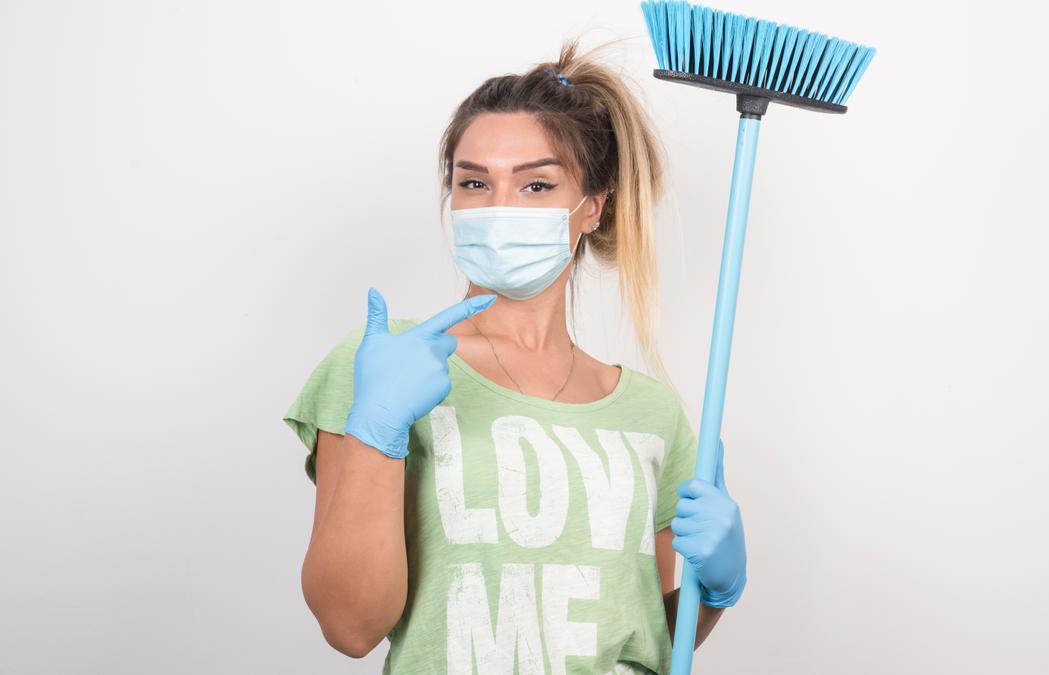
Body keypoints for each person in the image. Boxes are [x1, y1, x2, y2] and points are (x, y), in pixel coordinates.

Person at [282, 38, 747, 674]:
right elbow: (350, 626)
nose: (499, 207)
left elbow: (651, 637)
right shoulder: (388, 366)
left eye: (535, 184)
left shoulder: (652, 412)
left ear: (593, 207)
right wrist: (375, 433)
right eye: (474, 182)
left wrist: (715, 592)